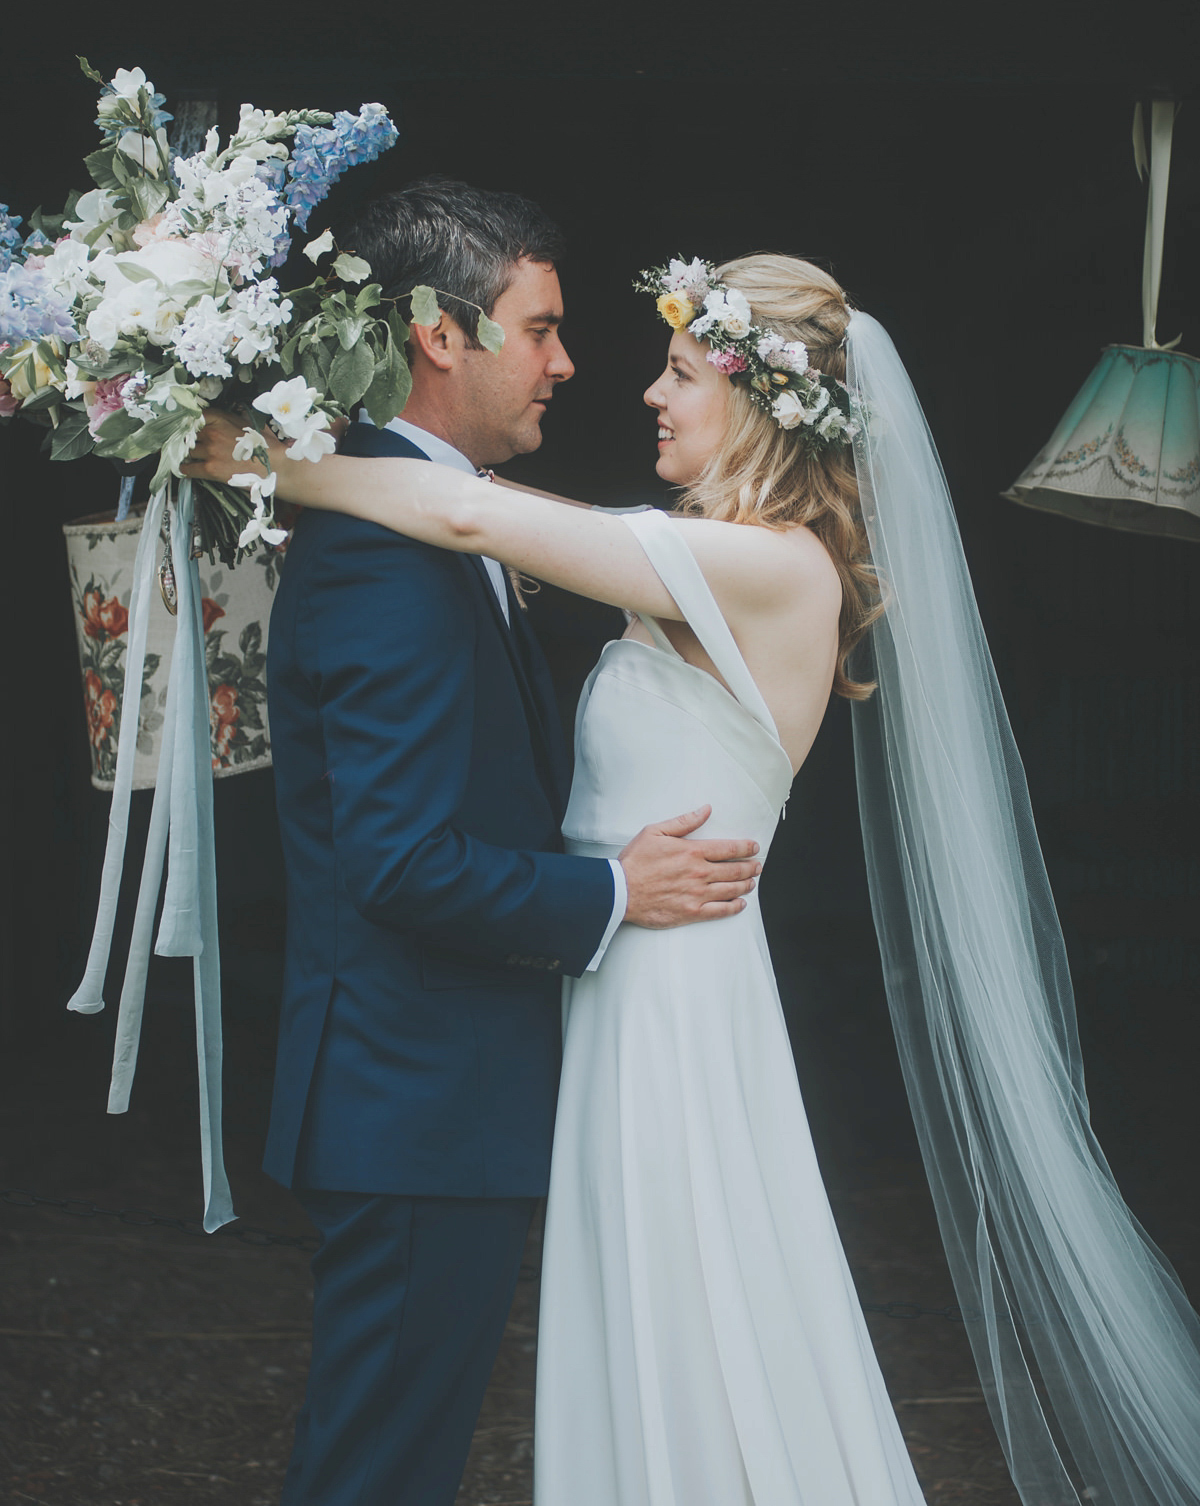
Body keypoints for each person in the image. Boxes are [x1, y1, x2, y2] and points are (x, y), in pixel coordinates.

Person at [188, 250, 1200, 1506]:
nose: (649, 395)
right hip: (617, 985)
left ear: (764, 400)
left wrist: (242, 452)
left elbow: (467, 514)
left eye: (681, 370)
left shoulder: (774, 568)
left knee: (692, 1305)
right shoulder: (701, 556)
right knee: (649, 1306)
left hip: (676, 999)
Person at [222, 183, 763, 1506]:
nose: (568, 364)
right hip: (414, 1101)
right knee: (378, 1471)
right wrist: (614, 890)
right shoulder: (385, 553)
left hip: (437, 1095)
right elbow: (399, 860)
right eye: (543, 328)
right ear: (441, 336)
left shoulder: (443, 517)